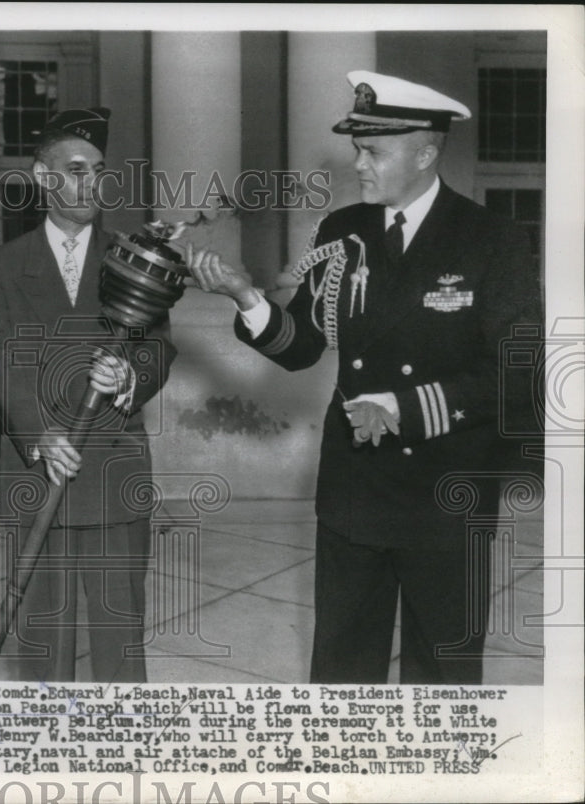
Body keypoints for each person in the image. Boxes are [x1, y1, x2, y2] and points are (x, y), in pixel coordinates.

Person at [188, 71, 541, 684]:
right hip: (356, 489)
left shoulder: (493, 240)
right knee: (344, 669)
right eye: (356, 148)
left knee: (443, 675)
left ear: (425, 153)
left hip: (446, 491)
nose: (358, 163)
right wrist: (246, 296)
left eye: (372, 150)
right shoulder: (341, 232)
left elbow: (517, 372)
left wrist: (403, 407)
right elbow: (301, 347)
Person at [0, 108, 177, 683]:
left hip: (115, 469)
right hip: (40, 471)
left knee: (120, 637)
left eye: (99, 171)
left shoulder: (134, 260)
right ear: (43, 176)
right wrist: (40, 431)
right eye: (75, 169)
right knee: (44, 638)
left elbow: (158, 345)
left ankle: (123, 749)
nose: (91, 183)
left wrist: (131, 377)